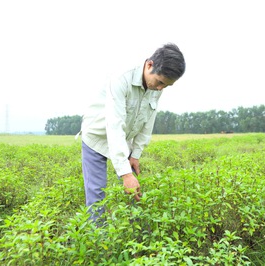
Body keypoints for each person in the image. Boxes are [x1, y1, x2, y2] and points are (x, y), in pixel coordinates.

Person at [79, 43, 186, 222]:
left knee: (135, 193)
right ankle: (99, 241)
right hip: (97, 137)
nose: (160, 89)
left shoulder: (155, 88)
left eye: (166, 86)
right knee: (97, 196)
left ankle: (134, 237)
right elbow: (114, 125)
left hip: (123, 139)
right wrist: (125, 174)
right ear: (149, 65)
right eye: (160, 82)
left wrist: (135, 154)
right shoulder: (121, 79)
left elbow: (147, 122)